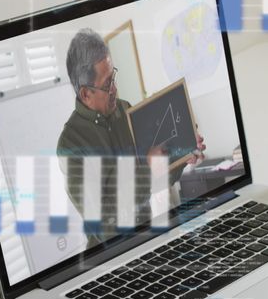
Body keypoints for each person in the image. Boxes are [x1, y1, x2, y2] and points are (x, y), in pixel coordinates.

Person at [57, 28, 204, 246]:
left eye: (113, 76)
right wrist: (148, 167)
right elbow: (105, 225)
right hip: (110, 257)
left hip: (149, 239)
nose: (115, 88)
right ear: (85, 94)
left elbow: (158, 180)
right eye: (107, 84)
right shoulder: (70, 145)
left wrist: (182, 156)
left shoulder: (126, 110)